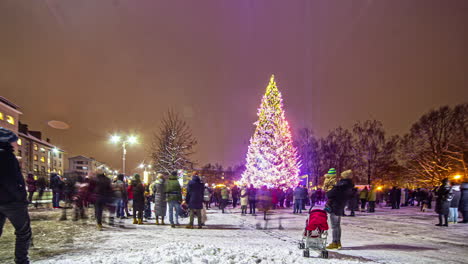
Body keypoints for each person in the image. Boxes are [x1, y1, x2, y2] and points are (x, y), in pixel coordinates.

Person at [0, 128, 32, 264]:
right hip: (11, 202)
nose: (16, 144)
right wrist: (20, 197)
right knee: (23, 232)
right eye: (15, 141)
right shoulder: (6, 156)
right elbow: (9, 180)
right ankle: (21, 261)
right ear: (7, 141)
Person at [324, 170, 354, 250]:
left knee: (334, 226)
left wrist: (332, 188)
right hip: (340, 206)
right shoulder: (349, 185)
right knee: (337, 226)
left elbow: (329, 194)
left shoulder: (342, 185)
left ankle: (334, 242)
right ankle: (338, 242)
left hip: (335, 206)